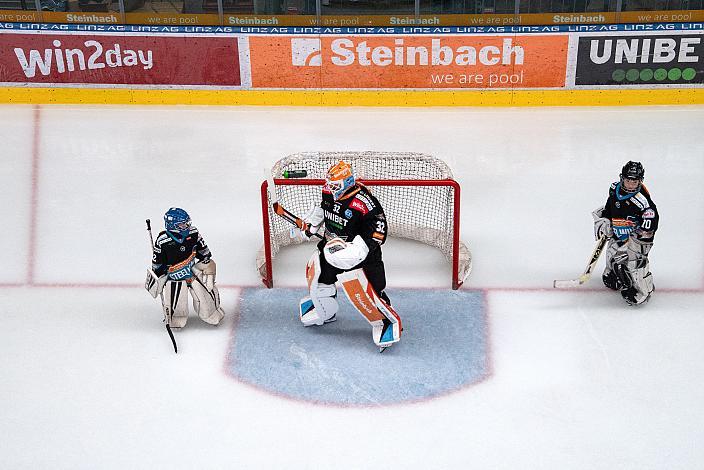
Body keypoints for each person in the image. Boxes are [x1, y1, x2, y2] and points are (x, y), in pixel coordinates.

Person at [292, 161, 402, 351]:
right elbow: (323, 211)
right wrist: (311, 224)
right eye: (329, 184)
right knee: (318, 279)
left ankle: (386, 322)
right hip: (331, 250)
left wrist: (358, 250)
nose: (330, 188)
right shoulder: (328, 192)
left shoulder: (365, 202)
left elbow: (379, 232)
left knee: (371, 293)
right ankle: (325, 310)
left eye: (335, 185)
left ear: (348, 182)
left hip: (363, 257)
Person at [592, 161, 659, 306]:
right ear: (622, 178)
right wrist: (605, 220)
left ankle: (642, 291)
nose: (630, 184)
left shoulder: (644, 203)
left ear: (640, 181)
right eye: (628, 180)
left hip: (633, 240)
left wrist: (637, 243)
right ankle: (615, 276)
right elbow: (610, 206)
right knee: (612, 258)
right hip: (617, 235)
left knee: (633, 265)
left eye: (634, 182)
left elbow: (649, 227)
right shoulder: (614, 189)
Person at [148, 208, 224, 328]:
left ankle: (212, 312)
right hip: (174, 277)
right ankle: (175, 318)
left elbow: (203, 251)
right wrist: (158, 276)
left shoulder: (193, 233)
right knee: (177, 301)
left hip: (192, 272)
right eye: (183, 224)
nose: (187, 226)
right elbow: (157, 264)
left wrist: (205, 258)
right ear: (172, 226)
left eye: (187, 223)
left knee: (206, 294)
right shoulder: (162, 241)